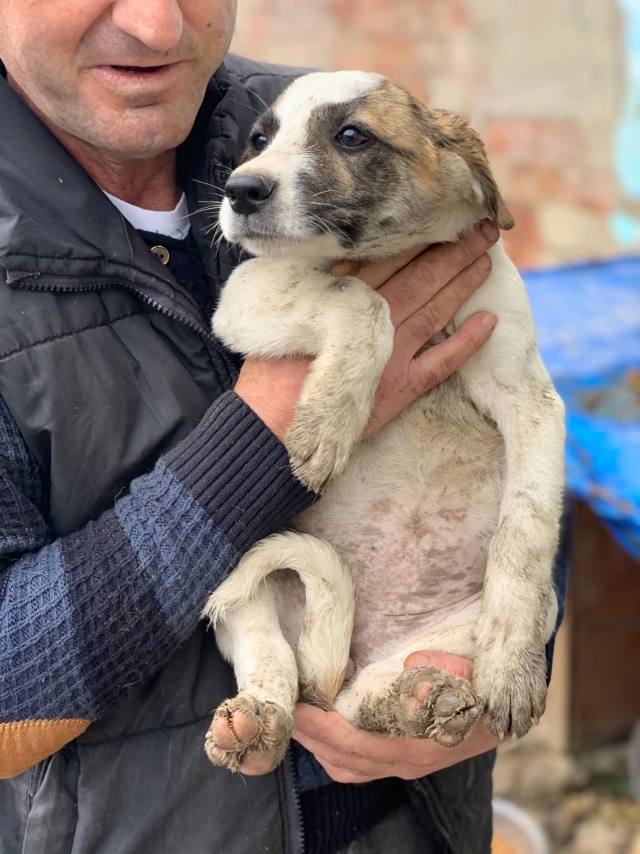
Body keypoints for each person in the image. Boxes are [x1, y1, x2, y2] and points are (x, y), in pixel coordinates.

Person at [0, 2, 568, 852]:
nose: (157, 26)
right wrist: (260, 443)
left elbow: (503, 407)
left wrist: (510, 645)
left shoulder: (316, 115)